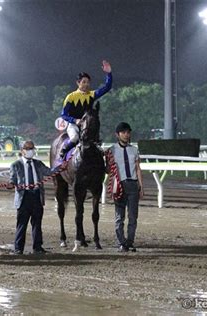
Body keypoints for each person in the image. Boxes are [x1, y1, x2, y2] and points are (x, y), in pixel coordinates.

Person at [59, 60, 113, 160]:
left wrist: (108, 73)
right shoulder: (71, 97)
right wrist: (75, 120)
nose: (86, 84)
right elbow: (63, 115)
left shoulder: (92, 95)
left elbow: (107, 87)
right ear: (78, 83)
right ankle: (63, 152)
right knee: (75, 138)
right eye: (83, 82)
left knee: (96, 141)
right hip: (74, 125)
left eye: (88, 82)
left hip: (87, 126)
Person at [8, 140, 53, 255]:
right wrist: (11, 184)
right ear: (22, 151)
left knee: (37, 224)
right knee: (22, 224)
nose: (30, 151)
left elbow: (49, 172)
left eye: (32, 148)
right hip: (24, 197)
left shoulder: (38, 164)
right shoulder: (15, 165)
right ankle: (18, 248)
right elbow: (12, 180)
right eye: (27, 148)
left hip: (37, 196)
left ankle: (38, 247)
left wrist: (62, 165)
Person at [106, 122, 144, 252]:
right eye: (123, 132)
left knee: (133, 216)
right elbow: (108, 170)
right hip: (119, 185)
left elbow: (138, 168)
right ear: (117, 135)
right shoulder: (111, 150)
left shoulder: (134, 150)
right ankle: (121, 242)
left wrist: (141, 186)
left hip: (133, 184)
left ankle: (130, 241)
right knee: (119, 216)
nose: (126, 135)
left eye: (128, 132)